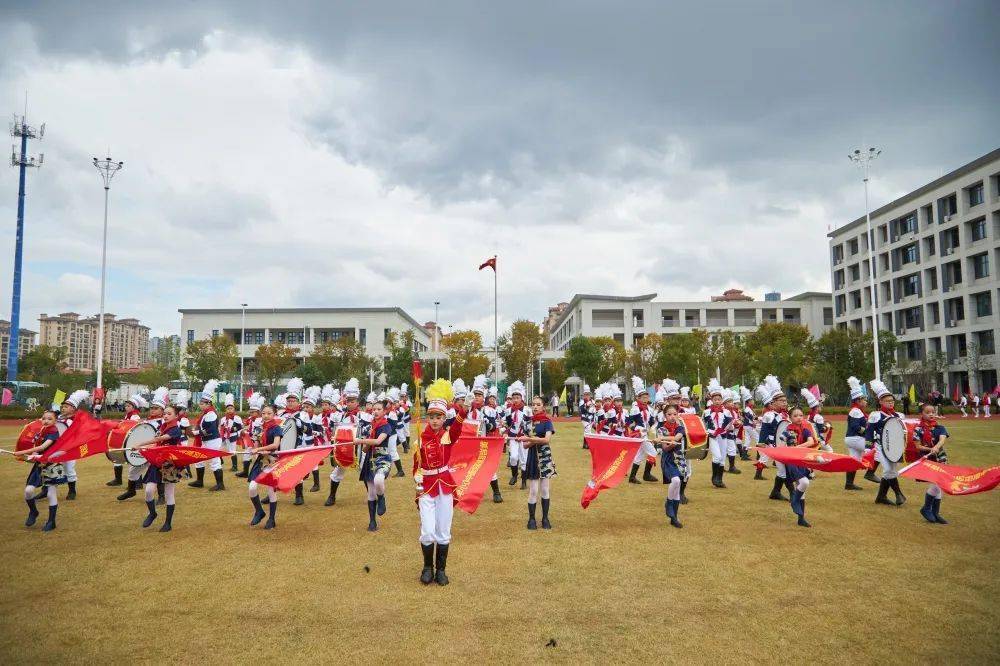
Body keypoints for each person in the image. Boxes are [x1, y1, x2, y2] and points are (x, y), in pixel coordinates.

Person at [415, 379, 457, 585]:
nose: (434, 421)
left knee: (443, 530)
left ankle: (441, 570)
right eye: (431, 416)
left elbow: (459, 425)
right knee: (428, 530)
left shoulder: (449, 436)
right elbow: (416, 465)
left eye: (438, 417)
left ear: (444, 418)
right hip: (426, 488)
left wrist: (463, 408)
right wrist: (417, 474)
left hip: (445, 486)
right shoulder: (419, 439)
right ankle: (427, 567)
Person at [138, 399, 185, 532]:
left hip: (170, 464)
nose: (165, 415)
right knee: (148, 491)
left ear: (176, 416)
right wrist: (142, 449)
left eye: (169, 414)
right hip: (157, 462)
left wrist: (140, 444)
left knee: (169, 494)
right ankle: (153, 513)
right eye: (164, 413)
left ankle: (168, 523)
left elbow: (159, 439)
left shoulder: (176, 430)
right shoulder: (162, 427)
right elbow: (156, 444)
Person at [16, 409, 66, 531]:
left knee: (50, 494)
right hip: (39, 465)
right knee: (28, 491)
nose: (46, 421)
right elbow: (37, 450)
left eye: (50, 419)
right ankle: (34, 512)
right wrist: (30, 456)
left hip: (52, 466)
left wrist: (21, 452)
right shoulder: (42, 431)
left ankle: (51, 521)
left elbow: (43, 447)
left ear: (55, 421)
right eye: (44, 418)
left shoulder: (54, 432)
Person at [355, 396, 394, 531]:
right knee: (371, 493)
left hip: (382, 458)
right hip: (369, 460)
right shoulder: (371, 426)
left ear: (384, 411)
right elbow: (366, 448)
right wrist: (364, 441)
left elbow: (378, 442)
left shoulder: (386, 426)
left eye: (379, 409)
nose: (375, 411)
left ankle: (382, 498)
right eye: (374, 409)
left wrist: (359, 441)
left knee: (378, 480)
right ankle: (372, 522)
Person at [866, 379, 906, 507]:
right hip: (880, 446)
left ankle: (881, 497)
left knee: (892, 471)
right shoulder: (876, 415)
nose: (890, 403)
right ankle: (898, 494)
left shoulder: (899, 415)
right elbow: (869, 431)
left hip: (895, 447)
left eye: (892, 400)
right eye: (887, 401)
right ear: (881, 402)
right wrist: (868, 447)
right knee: (888, 469)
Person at [519, 395, 557, 530]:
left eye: (538, 404)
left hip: (545, 457)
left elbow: (547, 440)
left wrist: (531, 439)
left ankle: (545, 518)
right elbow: (524, 445)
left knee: (545, 489)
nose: (535, 407)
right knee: (533, 490)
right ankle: (531, 519)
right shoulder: (527, 422)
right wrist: (529, 440)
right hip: (533, 457)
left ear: (543, 406)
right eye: (533, 404)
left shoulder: (547, 421)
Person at [778, 407, 816, 528]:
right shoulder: (787, 430)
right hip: (792, 462)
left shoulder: (805, 430)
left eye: (801, 415)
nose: (799, 417)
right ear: (790, 418)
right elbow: (782, 444)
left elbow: (811, 442)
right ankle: (794, 500)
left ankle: (801, 518)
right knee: (804, 482)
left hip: (802, 461)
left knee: (803, 489)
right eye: (795, 415)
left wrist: (796, 447)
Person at [326, 378, 362, 507]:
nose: (350, 403)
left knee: (366, 472)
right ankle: (332, 496)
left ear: (357, 402)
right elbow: (332, 427)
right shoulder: (340, 415)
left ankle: (375, 497)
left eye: (352, 401)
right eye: (348, 401)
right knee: (337, 473)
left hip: (359, 449)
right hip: (343, 449)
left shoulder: (364, 415)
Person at [913, 402, 949, 525]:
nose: (931, 414)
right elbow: (918, 446)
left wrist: (936, 447)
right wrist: (930, 450)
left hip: (940, 458)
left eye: (933, 412)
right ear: (921, 414)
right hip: (927, 459)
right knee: (936, 484)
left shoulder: (940, 427)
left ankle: (935, 512)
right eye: (927, 412)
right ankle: (927, 508)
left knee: (939, 484)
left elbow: (942, 439)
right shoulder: (918, 429)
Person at [247, 403, 282, 529]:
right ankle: (259, 511)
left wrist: (260, 449)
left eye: (269, 413)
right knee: (252, 487)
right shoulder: (258, 428)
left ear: (274, 414)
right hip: (261, 461)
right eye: (263, 413)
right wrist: (255, 450)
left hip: (273, 461)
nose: (266, 416)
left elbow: (275, 445)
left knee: (271, 491)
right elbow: (256, 445)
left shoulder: (277, 428)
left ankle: (271, 519)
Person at [755, 376, 789, 499]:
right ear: (773, 402)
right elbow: (764, 430)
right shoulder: (770, 414)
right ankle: (790, 492)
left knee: (783, 470)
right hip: (773, 445)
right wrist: (761, 443)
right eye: (781, 401)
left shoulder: (785, 414)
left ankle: (776, 492)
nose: (784, 403)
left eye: (785, 401)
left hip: (782, 445)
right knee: (783, 469)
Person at [655, 404, 687, 528]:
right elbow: (665, 448)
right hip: (668, 460)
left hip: (680, 459)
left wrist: (663, 438)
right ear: (665, 416)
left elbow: (678, 436)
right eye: (669, 414)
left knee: (678, 485)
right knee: (675, 480)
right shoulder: (661, 429)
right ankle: (668, 503)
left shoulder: (680, 427)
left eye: (674, 414)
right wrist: (670, 444)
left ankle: (674, 518)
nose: (672, 416)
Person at [189, 379, 224, 491]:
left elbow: (210, 429)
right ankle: (199, 481)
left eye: (202, 403)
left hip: (212, 440)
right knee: (199, 459)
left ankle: (220, 484)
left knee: (215, 461)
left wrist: (196, 432)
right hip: (206, 440)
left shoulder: (211, 414)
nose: (200, 405)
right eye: (200, 402)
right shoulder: (206, 413)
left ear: (208, 403)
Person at [116, 393, 149, 502]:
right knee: (134, 464)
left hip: (138, 443)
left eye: (129, 406)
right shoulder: (128, 416)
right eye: (126, 406)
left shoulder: (135, 416)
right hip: (131, 442)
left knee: (137, 462)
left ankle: (138, 485)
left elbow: (135, 430)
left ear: (134, 407)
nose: (126, 407)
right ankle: (133, 488)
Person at [58, 389, 90, 500]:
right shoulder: (58, 419)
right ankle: (45, 489)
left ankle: (72, 491)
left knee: (69, 468)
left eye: (66, 407)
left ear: (73, 408)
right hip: (56, 448)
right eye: (62, 407)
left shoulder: (75, 421)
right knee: (49, 468)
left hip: (70, 449)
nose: (63, 408)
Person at [627, 376, 659, 484]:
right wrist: (636, 428)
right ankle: (646, 474)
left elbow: (650, 422)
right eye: (643, 398)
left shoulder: (649, 409)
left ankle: (632, 477)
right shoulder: (635, 408)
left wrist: (655, 418)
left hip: (645, 434)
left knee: (639, 456)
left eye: (647, 397)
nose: (645, 399)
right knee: (653, 452)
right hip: (639, 435)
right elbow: (629, 422)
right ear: (638, 398)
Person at [702, 379, 733, 489]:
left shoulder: (727, 412)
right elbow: (703, 424)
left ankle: (719, 479)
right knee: (717, 456)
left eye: (719, 399)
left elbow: (731, 425)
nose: (717, 401)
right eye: (715, 399)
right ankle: (714, 477)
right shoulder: (706, 412)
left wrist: (733, 425)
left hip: (723, 436)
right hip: (713, 436)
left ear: (722, 400)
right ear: (712, 400)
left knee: (723, 457)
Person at [503, 381, 532, 489]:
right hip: (513, 437)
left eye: (517, 397)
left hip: (523, 437)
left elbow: (530, 425)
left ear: (522, 398)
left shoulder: (527, 410)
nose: (515, 400)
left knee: (524, 460)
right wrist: (505, 432)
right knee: (513, 457)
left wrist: (528, 434)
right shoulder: (508, 411)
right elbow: (507, 424)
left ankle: (524, 481)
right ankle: (514, 475)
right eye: (513, 397)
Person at [843, 377, 869, 490]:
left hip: (852, 439)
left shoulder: (857, 411)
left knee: (854, 461)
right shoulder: (855, 411)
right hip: (855, 438)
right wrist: (868, 432)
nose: (866, 401)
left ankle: (849, 484)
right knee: (876, 449)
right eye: (864, 399)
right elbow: (855, 426)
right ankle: (870, 473)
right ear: (858, 401)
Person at [801, 387, 833, 453]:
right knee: (830, 450)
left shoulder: (809, 415)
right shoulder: (818, 417)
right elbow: (821, 430)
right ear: (817, 407)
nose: (821, 407)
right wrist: (828, 425)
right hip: (818, 439)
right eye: (820, 406)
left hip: (811, 438)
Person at [220, 393, 243, 475]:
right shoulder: (223, 418)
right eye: (228, 408)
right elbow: (221, 427)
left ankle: (235, 466)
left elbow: (240, 427)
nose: (229, 410)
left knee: (232, 451)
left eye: (231, 408)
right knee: (218, 448)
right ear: (226, 410)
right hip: (224, 436)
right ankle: (220, 462)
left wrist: (232, 429)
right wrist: (223, 430)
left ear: (234, 409)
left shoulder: (237, 418)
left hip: (232, 436)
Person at [579, 384, 596, 449]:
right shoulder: (582, 401)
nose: (587, 396)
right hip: (585, 418)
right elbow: (582, 410)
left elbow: (595, 409)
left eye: (588, 394)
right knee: (587, 429)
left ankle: (587, 443)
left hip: (592, 418)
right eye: (585, 394)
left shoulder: (593, 401)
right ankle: (586, 444)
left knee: (595, 428)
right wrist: (586, 405)